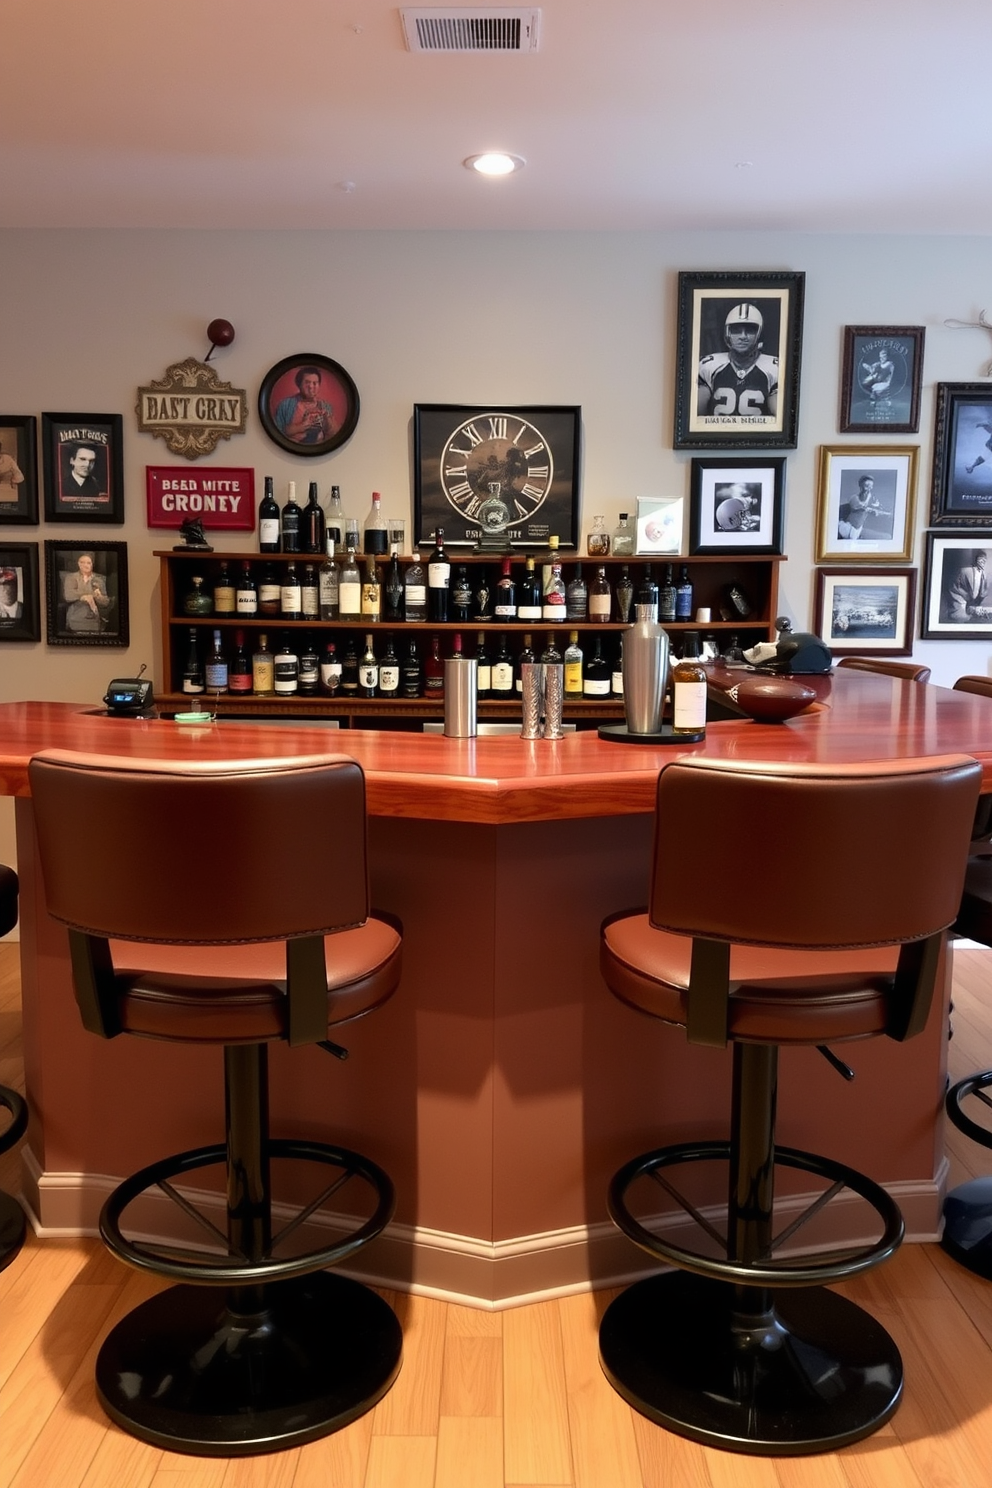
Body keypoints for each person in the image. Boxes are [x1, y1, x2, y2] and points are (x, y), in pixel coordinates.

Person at [697, 303, 779, 420]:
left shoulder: (774, 369)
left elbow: (780, 420)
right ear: (727, 333)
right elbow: (695, 419)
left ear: (759, 334)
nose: (743, 336)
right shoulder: (708, 366)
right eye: (736, 330)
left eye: (750, 330)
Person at [273, 367, 336, 445]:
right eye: (307, 382)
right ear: (299, 384)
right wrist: (302, 426)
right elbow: (277, 433)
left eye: (315, 383)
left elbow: (333, 437)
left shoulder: (326, 407)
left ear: (319, 385)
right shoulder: (285, 405)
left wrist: (328, 422)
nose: (311, 386)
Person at [62, 552, 111, 632]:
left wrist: (99, 597)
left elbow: (105, 602)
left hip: (94, 621)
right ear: (78, 564)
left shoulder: (99, 579)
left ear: (92, 564)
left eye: (88, 563)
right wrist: (86, 596)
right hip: (75, 619)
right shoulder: (71, 577)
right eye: (82, 562)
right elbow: (68, 595)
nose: (85, 565)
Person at [945, 550, 989, 622]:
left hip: (972, 606)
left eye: (984, 559)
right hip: (959, 606)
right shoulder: (964, 571)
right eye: (980, 559)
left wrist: (976, 606)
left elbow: (982, 592)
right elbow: (953, 588)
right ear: (976, 560)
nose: (982, 561)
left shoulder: (983, 574)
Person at [837, 475, 880, 539]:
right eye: (867, 485)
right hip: (847, 527)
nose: (869, 488)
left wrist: (874, 510)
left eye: (871, 486)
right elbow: (860, 507)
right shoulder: (854, 498)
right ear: (861, 486)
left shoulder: (869, 499)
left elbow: (869, 508)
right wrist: (870, 507)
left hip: (857, 529)